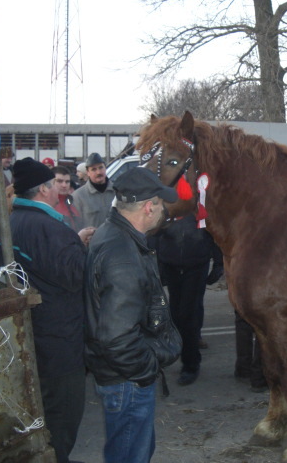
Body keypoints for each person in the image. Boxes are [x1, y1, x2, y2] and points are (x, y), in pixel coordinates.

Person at [84, 167, 180, 463]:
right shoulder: (122, 254)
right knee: (130, 455)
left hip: (121, 377)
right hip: (127, 381)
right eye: (161, 204)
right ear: (149, 206)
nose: (163, 210)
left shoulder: (114, 234)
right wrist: (146, 369)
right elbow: (116, 337)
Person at [9, 158, 93, 463]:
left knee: (46, 406)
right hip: (60, 335)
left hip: (38, 331)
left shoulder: (16, 219)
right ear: (44, 189)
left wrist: (74, 243)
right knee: (64, 412)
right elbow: (74, 277)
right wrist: (81, 248)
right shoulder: (48, 227)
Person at [150, 213, 214, 386]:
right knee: (174, 314)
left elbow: (213, 230)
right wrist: (156, 263)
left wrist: (218, 264)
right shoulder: (168, 204)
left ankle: (190, 364)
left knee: (188, 314)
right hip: (171, 263)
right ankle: (174, 352)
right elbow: (154, 233)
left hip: (196, 264)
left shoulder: (199, 203)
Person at [72, 152, 115, 229]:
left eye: (101, 167)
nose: (98, 172)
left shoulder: (117, 192)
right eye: (94, 169)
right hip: (92, 240)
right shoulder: (78, 197)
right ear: (88, 172)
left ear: (105, 168)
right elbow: (75, 226)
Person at [52, 165, 86, 232]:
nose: (64, 185)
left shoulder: (74, 202)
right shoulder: (47, 205)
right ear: (51, 182)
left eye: (67, 182)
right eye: (59, 181)